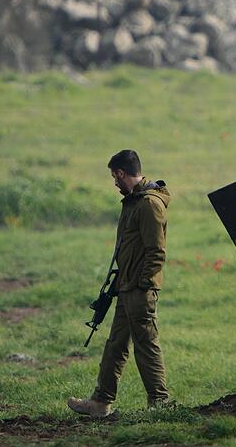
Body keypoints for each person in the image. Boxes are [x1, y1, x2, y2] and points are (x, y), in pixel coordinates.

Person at [68, 150, 171, 418]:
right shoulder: (134, 202)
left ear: (123, 173)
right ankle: (100, 403)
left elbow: (156, 251)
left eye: (115, 176)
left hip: (139, 290)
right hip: (127, 288)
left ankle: (160, 403)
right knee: (115, 345)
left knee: (146, 344)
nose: (114, 182)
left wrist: (143, 283)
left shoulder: (149, 204)